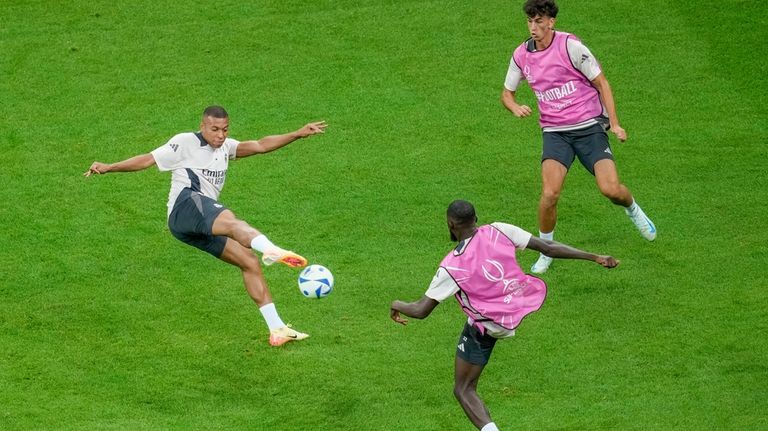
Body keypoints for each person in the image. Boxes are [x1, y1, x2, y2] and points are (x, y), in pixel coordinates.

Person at [85, 105, 327, 347]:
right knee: (232, 222)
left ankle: (277, 329)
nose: (220, 135)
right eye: (214, 129)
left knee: (248, 261)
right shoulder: (185, 142)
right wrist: (109, 167)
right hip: (186, 206)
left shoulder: (226, 147)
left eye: (224, 129)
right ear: (202, 126)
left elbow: (261, 145)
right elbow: (147, 160)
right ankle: (272, 249)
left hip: (193, 226)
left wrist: (297, 133)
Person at [390, 200, 618, 431]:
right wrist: (594, 256)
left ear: (450, 224)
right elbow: (547, 248)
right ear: (476, 218)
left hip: (490, 324)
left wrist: (396, 303)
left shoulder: (452, 266)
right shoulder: (499, 229)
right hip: (518, 304)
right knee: (468, 375)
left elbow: (421, 311)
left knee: (463, 389)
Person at [501, 0, 656, 274]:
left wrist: (615, 124)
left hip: (588, 128)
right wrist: (514, 106)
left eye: (539, 21)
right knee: (549, 194)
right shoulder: (521, 55)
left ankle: (632, 208)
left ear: (551, 22)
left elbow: (602, 83)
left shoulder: (570, 47)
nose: (533, 27)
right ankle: (546, 250)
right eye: (530, 21)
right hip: (555, 132)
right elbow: (507, 93)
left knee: (610, 189)